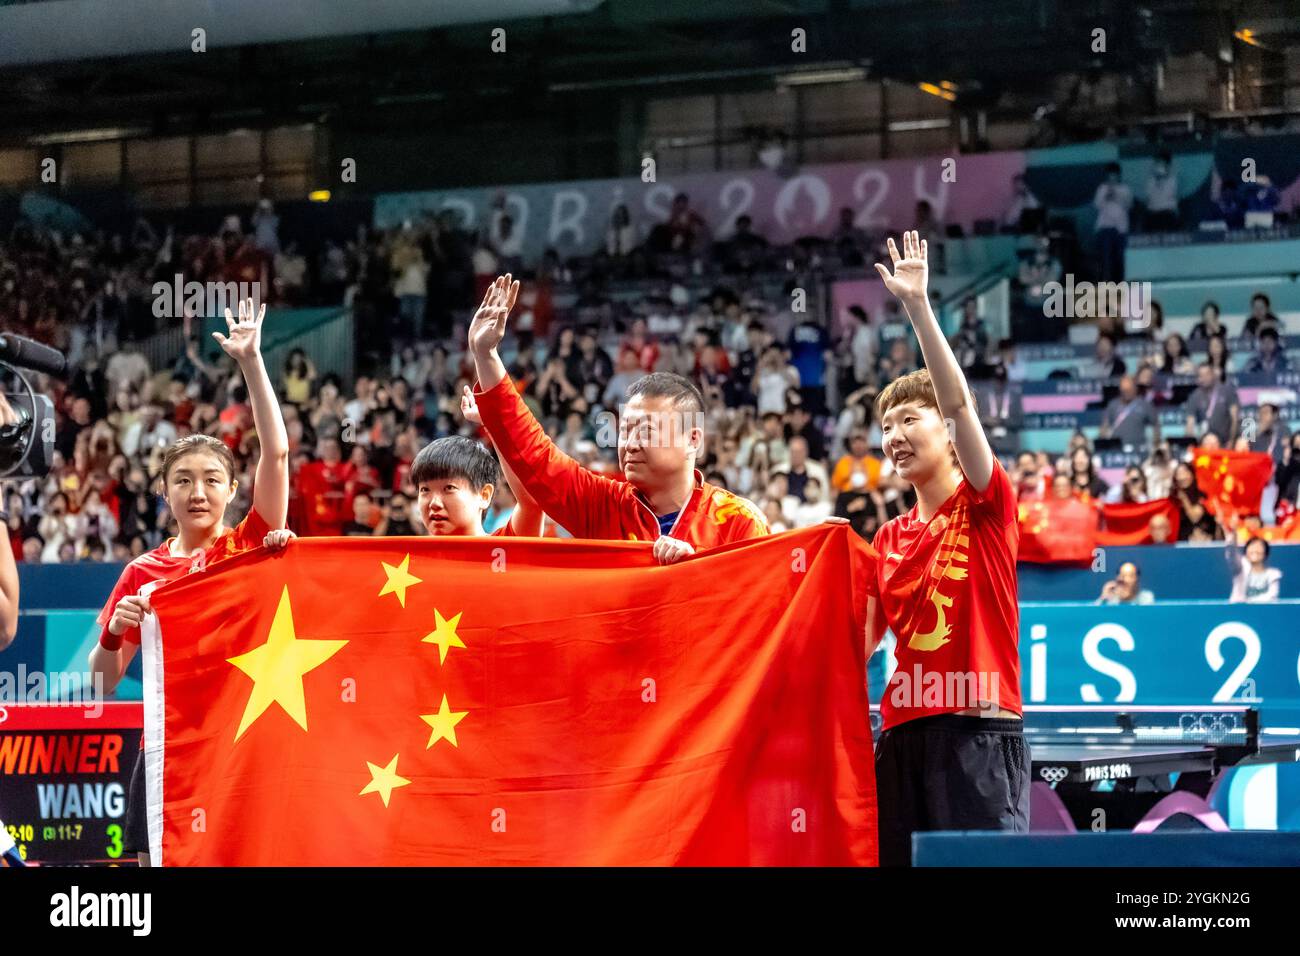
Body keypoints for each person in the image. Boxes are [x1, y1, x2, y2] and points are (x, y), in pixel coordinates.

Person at [86, 299, 293, 868]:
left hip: (241, 750)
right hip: (167, 753)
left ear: (231, 490)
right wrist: (111, 636)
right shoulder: (142, 574)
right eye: (182, 481)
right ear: (165, 493)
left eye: (211, 480)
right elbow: (103, 686)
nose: (197, 492)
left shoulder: (250, 546)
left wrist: (251, 362)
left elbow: (276, 453)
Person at [867, 232, 1027, 867]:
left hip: (979, 735)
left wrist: (918, 307)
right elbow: (854, 645)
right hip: (901, 738)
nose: (895, 436)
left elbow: (958, 402)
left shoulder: (988, 504)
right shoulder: (885, 538)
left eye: (910, 420)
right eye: (886, 426)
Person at [470, 275, 767, 562]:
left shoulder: (739, 523)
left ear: (693, 439)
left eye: (647, 430)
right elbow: (536, 456)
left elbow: (767, 603)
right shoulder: (604, 506)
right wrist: (486, 356)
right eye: (625, 431)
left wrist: (697, 570)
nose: (630, 444)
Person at [1225, 515, 1282, 603]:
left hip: (1262, 613)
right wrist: (1233, 532)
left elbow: (1272, 596)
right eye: (1251, 547)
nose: (1255, 550)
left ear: (1265, 553)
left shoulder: (1273, 574)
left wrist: (1249, 602)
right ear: (1246, 552)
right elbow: (1231, 553)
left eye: (1259, 547)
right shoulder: (1241, 569)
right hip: (1238, 612)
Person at [1183, 362, 1239, 447]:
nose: (1204, 378)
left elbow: (1235, 418)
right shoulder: (1194, 397)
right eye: (1201, 376)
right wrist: (1190, 444)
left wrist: (1231, 441)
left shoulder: (1227, 391)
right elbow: (1190, 423)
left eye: (1207, 374)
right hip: (1204, 445)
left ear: (1213, 375)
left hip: (1225, 443)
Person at [1093, 162, 1132, 282]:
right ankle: (1107, 285)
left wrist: (1117, 197)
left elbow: (1129, 205)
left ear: (1119, 175)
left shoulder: (1125, 189)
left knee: (1120, 258)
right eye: (1110, 175)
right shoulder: (1102, 188)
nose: (1112, 178)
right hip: (1105, 228)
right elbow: (1096, 205)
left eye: (1114, 175)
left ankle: (1121, 284)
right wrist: (1106, 195)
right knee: (1106, 259)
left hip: (1121, 229)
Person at [1101, 374, 1159, 452]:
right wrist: (1104, 443)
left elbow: (1155, 425)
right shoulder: (1112, 405)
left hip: (1139, 448)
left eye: (1128, 390)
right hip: (1118, 448)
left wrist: (1156, 445)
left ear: (1135, 389)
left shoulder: (1145, 405)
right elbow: (1105, 426)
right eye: (1123, 390)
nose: (1126, 393)